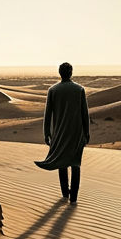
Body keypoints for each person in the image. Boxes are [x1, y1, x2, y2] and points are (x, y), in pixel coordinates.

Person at [34, 61, 90, 203]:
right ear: (71, 73)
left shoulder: (53, 90)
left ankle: (65, 193)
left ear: (60, 73)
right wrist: (87, 132)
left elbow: (48, 115)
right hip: (77, 132)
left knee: (61, 160)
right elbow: (85, 114)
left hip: (59, 132)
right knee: (75, 163)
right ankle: (74, 198)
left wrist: (47, 133)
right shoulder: (79, 90)